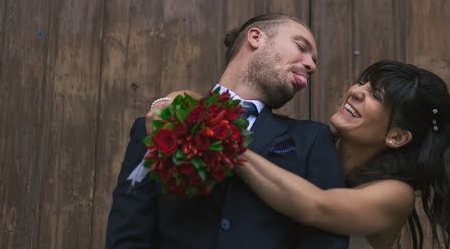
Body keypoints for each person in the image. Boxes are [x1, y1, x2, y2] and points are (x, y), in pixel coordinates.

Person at [150, 60, 450, 249]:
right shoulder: (308, 145)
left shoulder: (396, 194)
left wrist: (221, 139)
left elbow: (316, 206)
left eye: (375, 95)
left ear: (397, 136)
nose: (355, 91)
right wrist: (178, 101)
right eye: (362, 82)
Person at [104, 13, 349, 249]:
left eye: (314, 61)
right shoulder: (155, 125)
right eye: (301, 47)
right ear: (256, 37)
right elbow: (128, 233)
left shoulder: (312, 139)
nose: (311, 65)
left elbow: (327, 240)